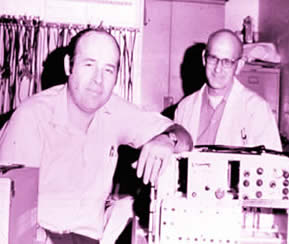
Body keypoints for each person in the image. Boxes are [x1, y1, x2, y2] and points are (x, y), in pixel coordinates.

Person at [0, 28, 193, 244]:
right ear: (68, 66)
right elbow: (6, 209)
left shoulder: (115, 110)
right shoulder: (31, 117)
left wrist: (168, 139)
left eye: (108, 70)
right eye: (89, 65)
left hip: (91, 238)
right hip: (37, 238)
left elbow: (185, 138)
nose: (98, 80)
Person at [174, 29, 282, 151]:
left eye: (227, 62)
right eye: (213, 58)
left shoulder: (257, 109)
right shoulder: (184, 108)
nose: (218, 68)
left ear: (239, 66)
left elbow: (272, 164)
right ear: (204, 59)